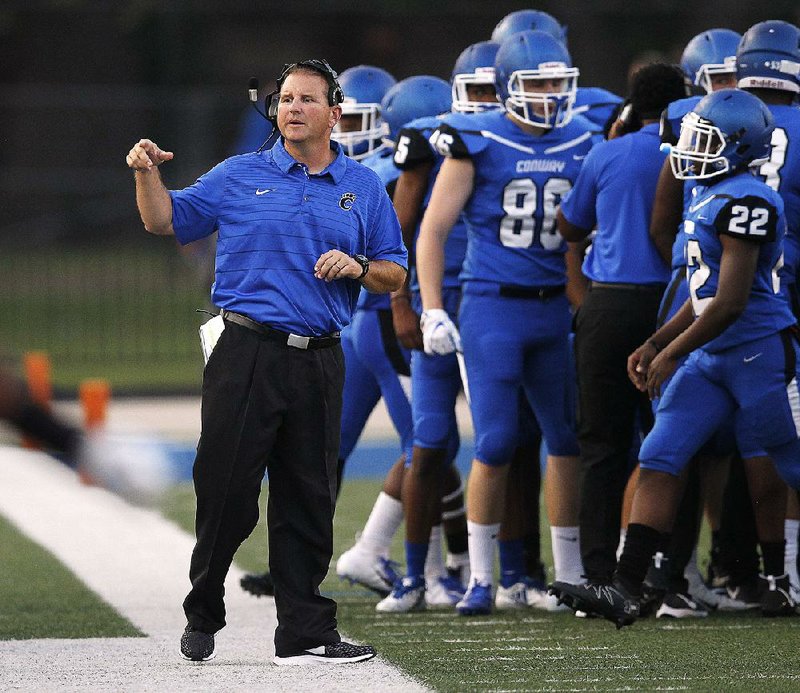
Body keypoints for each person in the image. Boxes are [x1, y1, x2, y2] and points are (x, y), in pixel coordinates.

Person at [125, 58, 407, 665]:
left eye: (307, 99)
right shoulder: (237, 174)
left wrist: (358, 267)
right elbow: (163, 219)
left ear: (335, 113)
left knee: (309, 496)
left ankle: (304, 631)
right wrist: (147, 173)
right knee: (225, 490)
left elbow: (394, 270)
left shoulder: (364, 185)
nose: (292, 108)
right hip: (246, 351)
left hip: (322, 359)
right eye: (285, 99)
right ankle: (204, 608)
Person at [551, 88, 800, 627]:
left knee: (790, 460)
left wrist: (670, 354)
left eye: (703, 138)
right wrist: (657, 341)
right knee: (660, 454)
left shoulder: (748, 199)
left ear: (736, 146)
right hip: (714, 355)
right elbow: (702, 293)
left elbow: (732, 302)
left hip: (759, 354)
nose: (689, 147)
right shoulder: (705, 193)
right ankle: (624, 587)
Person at [416, 30, 593, 615]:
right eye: (537, 83)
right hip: (493, 307)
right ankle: (482, 577)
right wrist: (433, 306)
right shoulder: (478, 139)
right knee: (494, 441)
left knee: (565, 440)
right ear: (507, 89)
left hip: (553, 309)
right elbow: (434, 230)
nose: (549, 95)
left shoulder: (584, 137)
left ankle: (568, 574)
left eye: (556, 83)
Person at [239, 63, 407, 601]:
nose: (351, 129)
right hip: (353, 331)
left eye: (360, 118)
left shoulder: (387, 173)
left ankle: (437, 564)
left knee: (426, 447)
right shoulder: (319, 170)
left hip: (384, 322)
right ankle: (294, 567)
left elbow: (397, 262)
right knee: (322, 456)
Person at [336, 74, 470, 608]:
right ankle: (393, 559)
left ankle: (436, 569)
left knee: (431, 448)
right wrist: (404, 304)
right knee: (426, 449)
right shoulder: (398, 173)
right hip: (387, 320)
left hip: (372, 321)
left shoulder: (368, 171)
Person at [556, 63, 687, 591]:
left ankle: (599, 571)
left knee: (602, 447)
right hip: (672, 307)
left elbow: (569, 225)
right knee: (674, 441)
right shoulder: (692, 152)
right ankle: (668, 572)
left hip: (609, 305)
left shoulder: (609, 151)